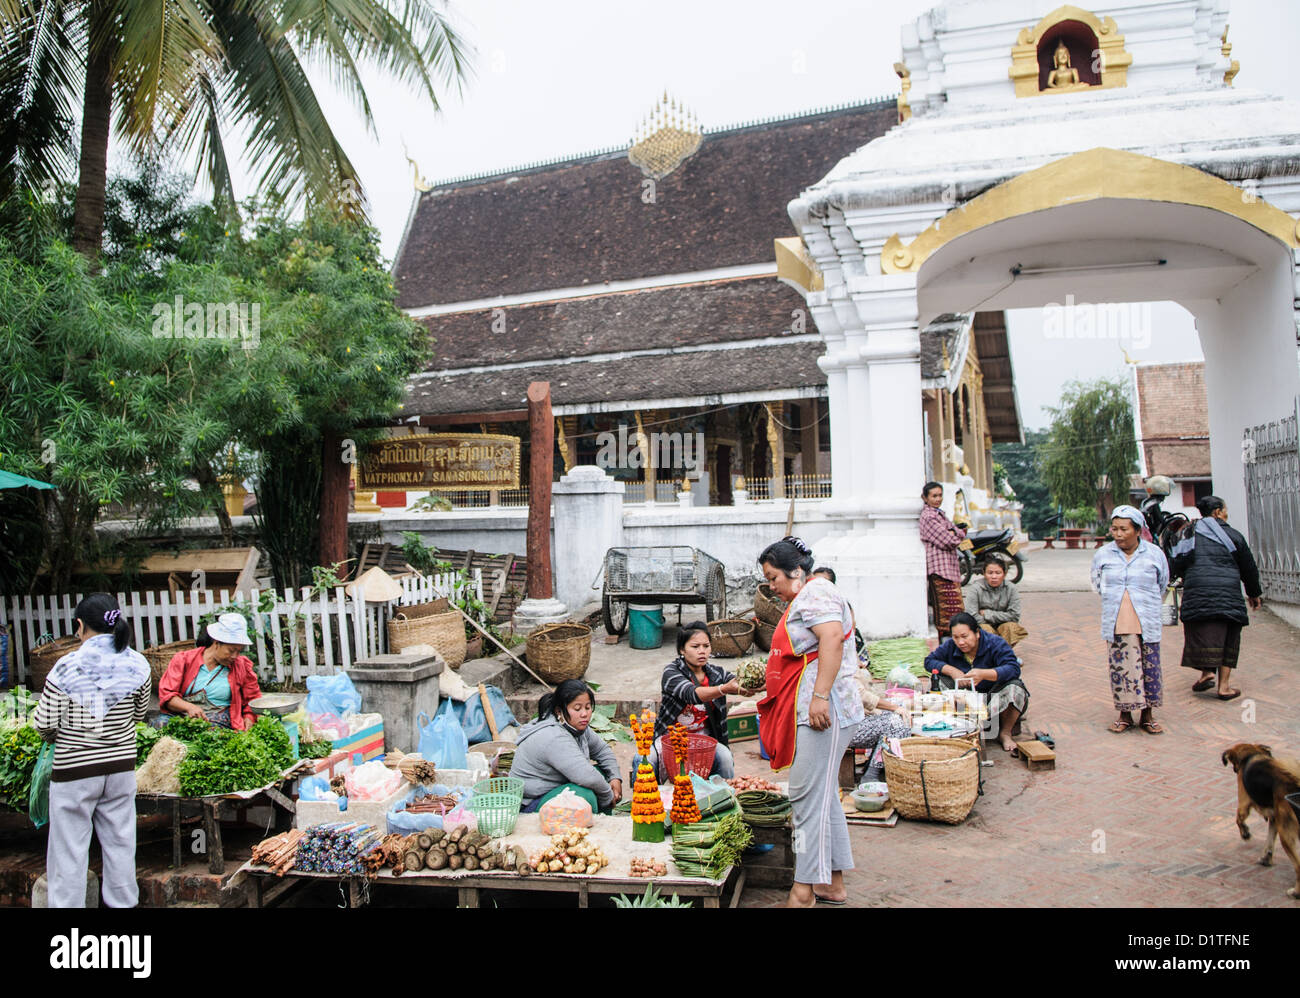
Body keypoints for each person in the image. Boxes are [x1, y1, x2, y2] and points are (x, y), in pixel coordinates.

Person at [756, 536, 864, 908]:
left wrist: (819, 697)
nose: (772, 587)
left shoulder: (817, 592)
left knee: (803, 794)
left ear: (796, 572)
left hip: (826, 709)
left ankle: (803, 889)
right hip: (819, 708)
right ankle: (831, 884)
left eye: (774, 579)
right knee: (821, 794)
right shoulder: (810, 594)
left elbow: (832, 638)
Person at [32, 594, 151, 908]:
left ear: (80, 626)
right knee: (121, 844)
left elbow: (44, 723)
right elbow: (140, 714)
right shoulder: (139, 663)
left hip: (74, 773)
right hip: (121, 768)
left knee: (69, 851)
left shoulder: (66, 667)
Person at [1170, 495, 1263, 701]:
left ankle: (1206, 673)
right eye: (1225, 509)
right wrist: (1253, 593)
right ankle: (1224, 687)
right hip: (1228, 593)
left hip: (1197, 592)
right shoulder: (1233, 535)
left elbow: (1176, 563)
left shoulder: (1187, 534)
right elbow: (1248, 568)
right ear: (1218, 512)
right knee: (1229, 635)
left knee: (1202, 632)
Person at [1091, 505, 1169, 734]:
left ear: (1137, 530)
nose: (1118, 534)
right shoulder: (1103, 554)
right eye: (1114, 529)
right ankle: (1124, 714)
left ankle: (1147, 715)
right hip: (1117, 619)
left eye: (1123, 529)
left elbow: (1162, 582)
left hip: (1147, 619)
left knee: (1149, 667)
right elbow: (1097, 583)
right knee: (1122, 668)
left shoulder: (1155, 553)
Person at [511, 679, 623, 813]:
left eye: (587, 707)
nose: (584, 714)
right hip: (532, 802)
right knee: (585, 796)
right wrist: (609, 797)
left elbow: (602, 750)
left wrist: (615, 778)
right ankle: (595, 826)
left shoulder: (576, 725)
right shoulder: (554, 736)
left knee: (604, 774)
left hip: (556, 789)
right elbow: (587, 776)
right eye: (577, 708)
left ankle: (602, 821)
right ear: (559, 711)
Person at [925, 612, 1029, 754]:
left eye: (964, 636)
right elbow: (929, 661)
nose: (960, 642)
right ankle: (961, 729)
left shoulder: (995, 643)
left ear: (977, 633)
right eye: (956, 637)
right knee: (939, 680)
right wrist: (952, 671)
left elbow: (1013, 668)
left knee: (1015, 688)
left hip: (992, 695)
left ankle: (1005, 733)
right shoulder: (950, 646)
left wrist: (984, 674)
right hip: (965, 697)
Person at [650, 622, 739, 781]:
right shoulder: (671, 672)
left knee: (725, 757)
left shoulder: (716, 674)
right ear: (682, 650)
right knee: (646, 760)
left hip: (703, 739)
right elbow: (692, 694)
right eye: (695, 646)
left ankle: (725, 799)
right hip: (670, 739)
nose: (702, 651)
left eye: (706, 646)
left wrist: (752, 685)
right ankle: (645, 800)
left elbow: (738, 682)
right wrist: (723, 689)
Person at [157, 613, 262, 730]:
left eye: (239, 651)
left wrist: (249, 717)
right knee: (161, 724)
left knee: (209, 730)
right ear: (216, 643)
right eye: (231, 650)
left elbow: (252, 699)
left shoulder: (241, 665)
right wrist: (189, 707)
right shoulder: (183, 660)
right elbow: (167, 696)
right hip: (182, 715)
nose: (235, 656)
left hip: (218, 718)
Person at [919, 481, 968, 637]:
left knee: (956, 611)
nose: (938, 499)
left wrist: (955, 533)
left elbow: (958, 532)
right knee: (947, 615)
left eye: (940, 495)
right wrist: (955, 533)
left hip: (949, 569)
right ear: (925, 498)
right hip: (940, 571)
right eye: (934, 496)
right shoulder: (929, 517)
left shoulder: (939, 514)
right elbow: (950, 540)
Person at [849, 675, 911, 781]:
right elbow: (861, 695)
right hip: (845, 728)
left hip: (855, 718)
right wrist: (894, 708)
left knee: (901, 713)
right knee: (897, 724)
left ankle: (872, 764)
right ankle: (871, 775)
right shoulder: (840, 667)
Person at [963, 555, 1028, 647]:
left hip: (1002, 625)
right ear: (984, 573)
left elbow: (1014, 615)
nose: (994, 576)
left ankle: (1003, 654)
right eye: (990, 573)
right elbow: (971, 615)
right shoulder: (975, 588)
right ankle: (991, 656)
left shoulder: (1011, 589)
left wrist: (987, 614)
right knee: (985, 630)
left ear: (1004, 574)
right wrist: (992, 625)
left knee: (1010, 627)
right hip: (983, 624)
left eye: (998, 573)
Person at [813, 566, 869, 664]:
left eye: (823, 583)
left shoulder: (841, 604)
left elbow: (849, 631)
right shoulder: (808, 605)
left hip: (843, 645)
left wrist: (854, 657)